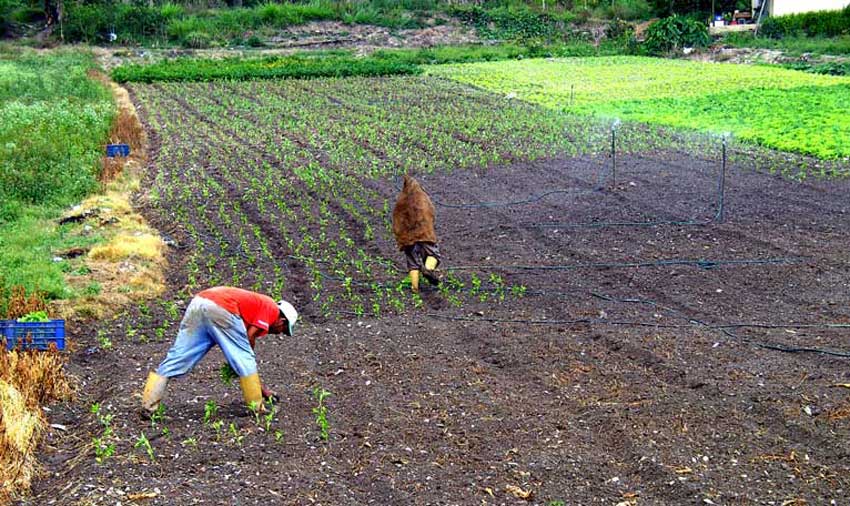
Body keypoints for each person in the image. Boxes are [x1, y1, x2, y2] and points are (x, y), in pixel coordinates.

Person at [141, 287, 298, 415]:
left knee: (179, 356)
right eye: (283, 330)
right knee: (245, 358)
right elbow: (249, 338)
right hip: (222, 307)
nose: (279, 333)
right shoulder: (271, 309)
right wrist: (243, 365)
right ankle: (257, 408)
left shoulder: (259, 304)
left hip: (199, 301)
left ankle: (149, 405)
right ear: (282, 321)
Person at [392, 175, 441, 292]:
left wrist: (402, 237)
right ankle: (428, 270)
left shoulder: (400, 203)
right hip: (424, 235)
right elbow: (431, 214)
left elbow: (397, 221)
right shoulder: (423, 200)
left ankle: (415, 288)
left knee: (412, 262)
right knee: (433, 255)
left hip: (408, 238)